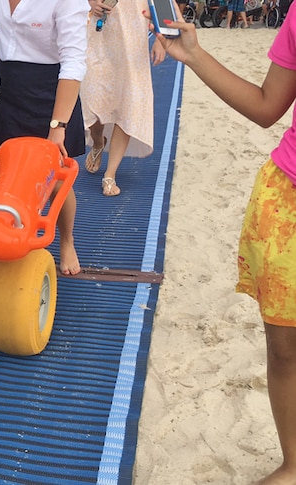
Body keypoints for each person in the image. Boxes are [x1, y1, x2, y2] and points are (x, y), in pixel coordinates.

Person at [150, 10, 296, 485]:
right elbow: (267, 106)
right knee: (285, 349)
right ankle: (294, 464)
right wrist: (194, 55)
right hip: (287, 204)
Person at [0, 0, 89, 275]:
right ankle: (15, 236)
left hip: (51, 90)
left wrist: (58, 125)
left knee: (55, 179)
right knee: (11, 171)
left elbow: (74, 63)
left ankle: (67, 241)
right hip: (9, 86)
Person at [83, 0, 167, 196]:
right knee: (91, 101)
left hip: (133, 36)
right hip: (97, 34)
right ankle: (97, 141)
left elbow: (164, 2)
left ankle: (110, 174)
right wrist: (90, 2)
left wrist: (161, 38)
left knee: (127, 100)